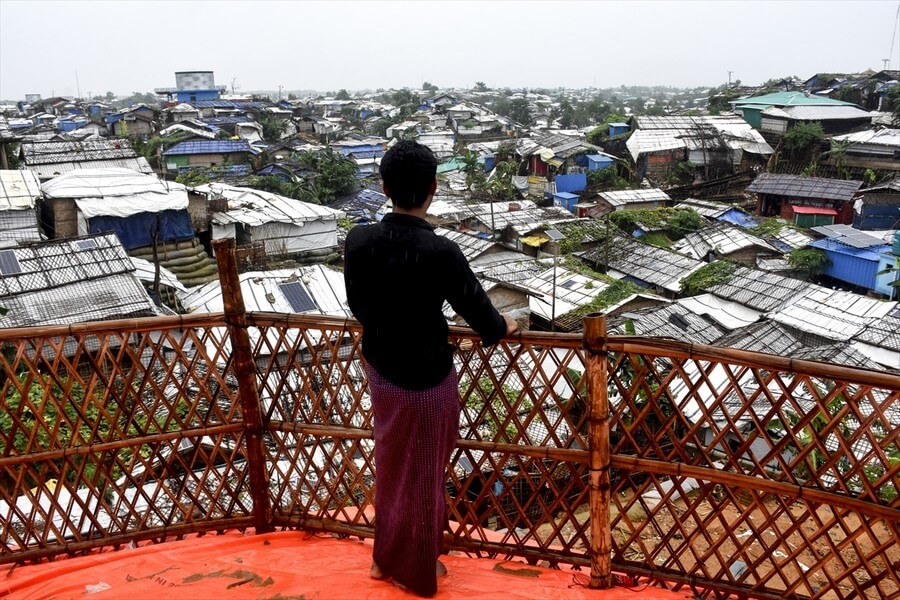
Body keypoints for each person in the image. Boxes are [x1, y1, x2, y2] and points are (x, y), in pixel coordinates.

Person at [344, 140, 518, 596]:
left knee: (392, 464)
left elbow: (360, 305)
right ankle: (417, 572)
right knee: (422, 474)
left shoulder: (360, 241)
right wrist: (511, 322)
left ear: (384, 187)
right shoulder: (440, 252)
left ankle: (384, 561)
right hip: (426, 380)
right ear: (433, 189)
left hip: (380, 372)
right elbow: (486, 321)